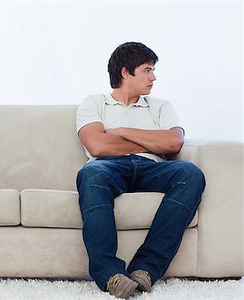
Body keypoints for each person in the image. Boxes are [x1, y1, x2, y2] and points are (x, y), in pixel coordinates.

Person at [76, 42, 205, 299]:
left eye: (153, 70)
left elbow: (173, 143)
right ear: (126, 73)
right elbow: (97, 145)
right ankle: (111, 275)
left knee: (190, 173)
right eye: (147, 70)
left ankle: (145, 269)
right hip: (106, 168)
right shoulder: (94, 103)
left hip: (153, 167)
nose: (153, 77)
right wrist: (151, 139)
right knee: (90, 175)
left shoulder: (160, 105)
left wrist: (122, 131)